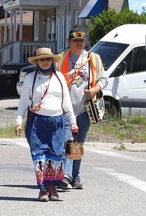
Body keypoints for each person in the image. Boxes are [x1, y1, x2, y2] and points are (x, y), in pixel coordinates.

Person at [15, 47, 78, 202]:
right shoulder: (30, 78)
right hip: (37, 121)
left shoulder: (59, 78)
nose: (45, 62)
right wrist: (18, 121)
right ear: (37, 61)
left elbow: (66, 101)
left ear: (52, 61)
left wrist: (73, 122)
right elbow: (23, 101)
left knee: (56, 155)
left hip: (57, 122)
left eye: (47, 59)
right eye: (41, 59)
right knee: (39, 156)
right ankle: (43, 189)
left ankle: (52, 188)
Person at [57, 28, 108, 189]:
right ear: (69, 41)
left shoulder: (93, 58)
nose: (79, 43)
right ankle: (65, 175)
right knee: (67, 142)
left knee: (78, 143)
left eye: (81, 40)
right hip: (65, 109)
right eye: (75, 40)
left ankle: (75, 177)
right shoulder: (61, 58)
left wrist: (95, 89)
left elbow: (104, 78)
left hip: (85, 109)